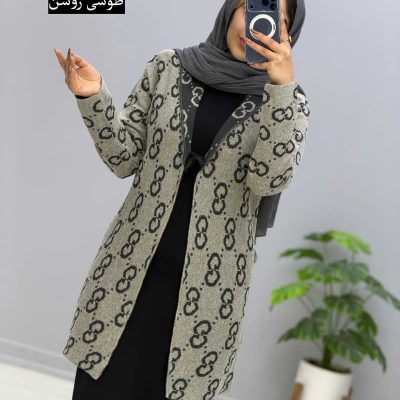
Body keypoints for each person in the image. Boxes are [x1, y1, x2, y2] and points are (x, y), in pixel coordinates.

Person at [54, 1, 309, 399]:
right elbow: (124, 159)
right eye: (251, 6)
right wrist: (93, 99)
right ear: (231, 10)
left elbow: (269, 179)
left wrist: (281, 91)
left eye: (278, 19)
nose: (257, 25)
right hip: (129, 274)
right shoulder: (168, 67)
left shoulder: (288, 104)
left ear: (288, 35)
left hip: (208, 296)